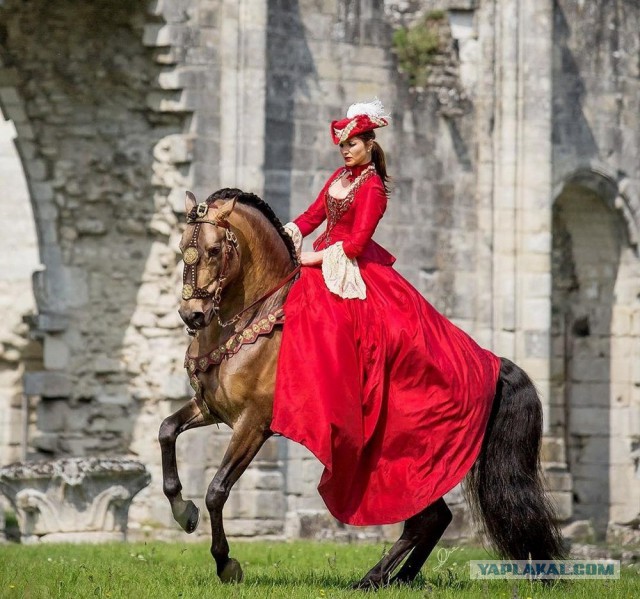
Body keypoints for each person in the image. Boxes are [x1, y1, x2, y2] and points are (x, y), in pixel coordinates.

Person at [272, 99, 501, 526]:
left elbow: (357, 244)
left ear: (369, 145)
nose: (346, 150)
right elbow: (311, 216)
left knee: (341, 325)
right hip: (325, 257)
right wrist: (284, 233)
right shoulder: (339, 178)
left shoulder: (373, 187)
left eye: (353, 144)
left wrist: (305, 262)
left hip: (352, 267)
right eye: (343, 144)